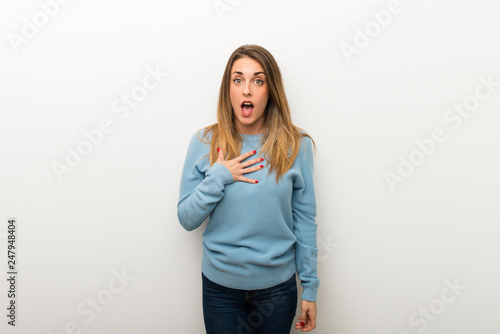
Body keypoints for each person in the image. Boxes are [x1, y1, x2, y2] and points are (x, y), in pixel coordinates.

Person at [177, 44, 319, 333]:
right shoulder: (204, 141)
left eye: (258, 80)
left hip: (277, 292)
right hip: (220, 290)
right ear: (227, 89)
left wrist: (310, 288)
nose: (246, 90)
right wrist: (218, 176)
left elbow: (305, 221)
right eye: (238, 79)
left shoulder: (297, 145)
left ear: (271, 90)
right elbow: (186, 219)